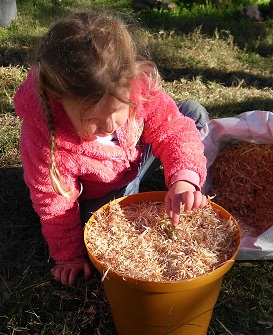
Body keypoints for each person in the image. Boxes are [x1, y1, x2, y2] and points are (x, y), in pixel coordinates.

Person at [14, 11, 209, 286]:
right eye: (92, 119)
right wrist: (69, 256)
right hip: (102, 189)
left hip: (137, 157)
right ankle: (131, 195)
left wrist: (184, 178)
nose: (108, 126)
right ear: (58, 98)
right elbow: (54, 201)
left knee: (191, 114)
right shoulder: (45, 138)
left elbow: (174, 130)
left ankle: (184, 180)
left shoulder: (136, 86)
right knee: (96, 226)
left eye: (118, 111)